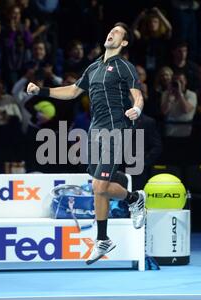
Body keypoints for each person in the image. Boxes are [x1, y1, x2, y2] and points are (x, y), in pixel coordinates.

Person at [26, 22, 146, 265]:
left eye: (118, 32)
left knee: (100, 186)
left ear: (123, 42)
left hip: (115, 131)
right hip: (94, 133)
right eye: (110, 30)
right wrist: (41, 91)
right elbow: (71, 91)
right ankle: (133, 199)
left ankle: (103, 238)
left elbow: (138, 95)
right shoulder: (93, 68)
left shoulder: (125, 67)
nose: (111, 33)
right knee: (97, 187)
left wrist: (136, 109)